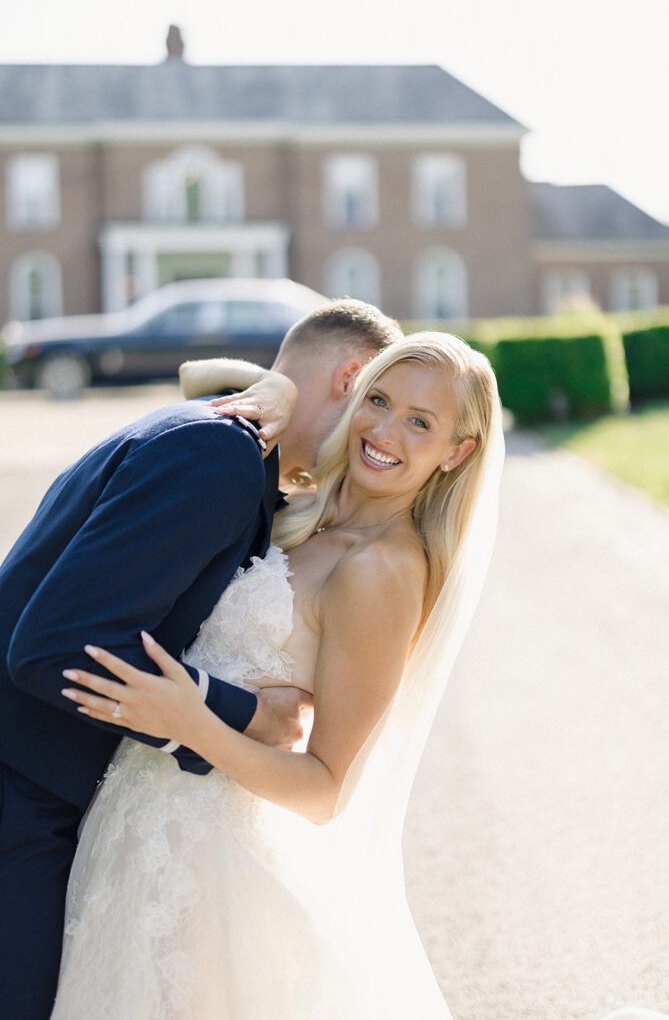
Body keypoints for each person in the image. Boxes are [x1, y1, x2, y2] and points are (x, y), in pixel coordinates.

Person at [52, 331, 505, 1018]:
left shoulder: (381, 569)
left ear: (456, 453)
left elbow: (324, 789)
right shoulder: (307, 509)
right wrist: (277, 390)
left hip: (212, 868)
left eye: (420, 422)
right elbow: (206, 374)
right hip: (136, 829)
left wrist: (191, 723)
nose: (384, 431)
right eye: (376, 400)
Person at [0, 298, 401, 1020]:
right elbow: (55, 648)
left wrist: (278, 390)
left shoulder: (224, 439)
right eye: (377, 400)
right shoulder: (215, 453)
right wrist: (248, 715)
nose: (376, 432)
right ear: (348, 378)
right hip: (19, 797)